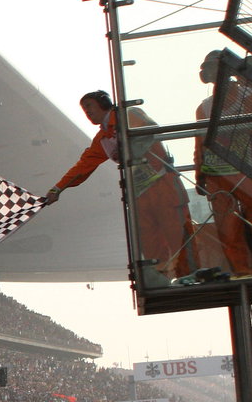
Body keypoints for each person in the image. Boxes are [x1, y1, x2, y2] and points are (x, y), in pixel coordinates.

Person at [44, 90, 192, 280]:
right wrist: (57, 188)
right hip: (139, 194)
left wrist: (123, 145)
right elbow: (84, 166)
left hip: (163, 186)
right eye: (84, 110)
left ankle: (191, 274)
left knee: (178, 234)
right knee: (149, 241)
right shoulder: (103, 139)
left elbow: (148, 133)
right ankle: (163, 279)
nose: (87, 112)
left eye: (89, 106)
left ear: (104, 102)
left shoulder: (129, 115)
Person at [195, 51, 252, 278]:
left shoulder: (249, 96)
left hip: (247, 170)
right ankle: (243, 272)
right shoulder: (204, 107)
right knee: (228, 229)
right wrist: (200, 176)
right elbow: (200, 145)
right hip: (217, 175)